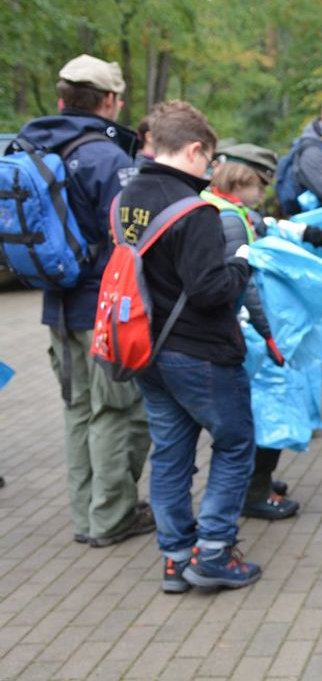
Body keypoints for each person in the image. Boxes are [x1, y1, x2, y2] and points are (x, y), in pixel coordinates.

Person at [117, 100, 261, 591]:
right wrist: (241, 260)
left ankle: (176, 557)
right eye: (210, 159)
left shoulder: (126, 198)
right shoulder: (195, 211)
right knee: (236, 443)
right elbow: (209, 291)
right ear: (196, 150)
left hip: (144, 348)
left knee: (172, 453)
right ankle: (215, 551)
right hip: (199, 352)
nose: (211, 169)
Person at [15, 54, 154, 548]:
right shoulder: (106, 158)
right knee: (118, 412)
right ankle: (112, 517)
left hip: (56, 305)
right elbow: (128, 237)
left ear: (60, 99)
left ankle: (85, 515)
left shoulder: (30, 146)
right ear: (110, 101)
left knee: (77, 410)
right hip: (103, 310)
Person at [201, 143, 299, 522]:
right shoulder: (231, 219)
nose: (263, 195)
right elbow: (244, 284)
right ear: (245, 181)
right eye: (261, 186)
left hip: (230, 329)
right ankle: (254, 492)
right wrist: (269, 334)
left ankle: (258, 482)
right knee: (259, 414)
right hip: (240, 330)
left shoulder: (222, 207)